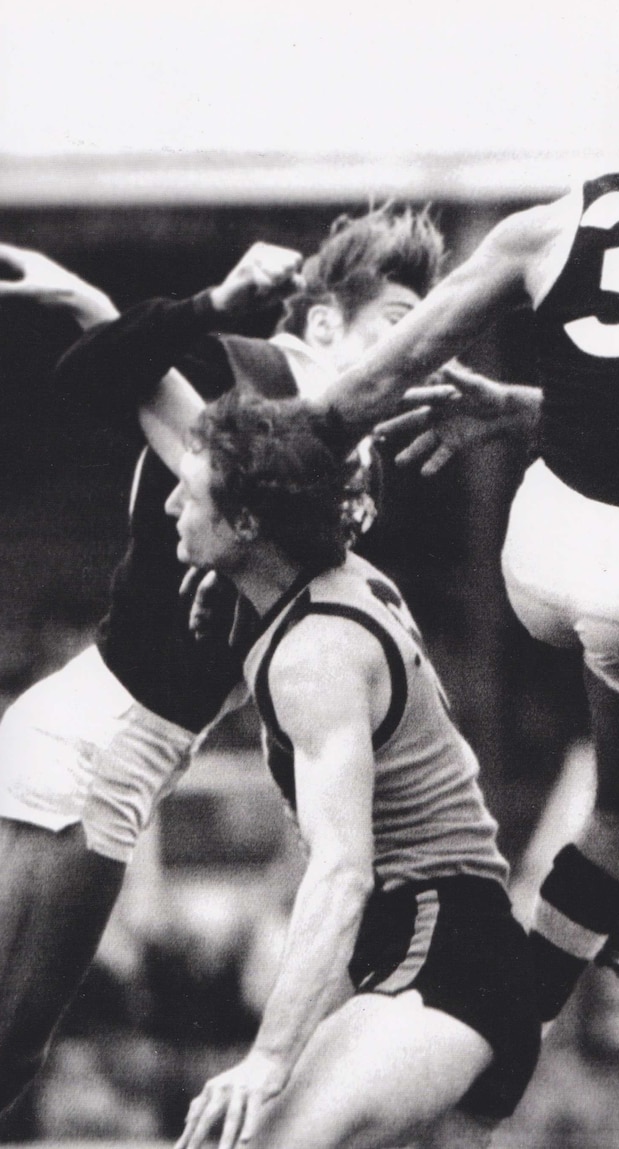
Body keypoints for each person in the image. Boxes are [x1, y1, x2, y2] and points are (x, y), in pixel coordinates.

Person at [314, 14, 619, 1022]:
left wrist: (298, 446)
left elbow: (386, 373)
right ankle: (512, 1027)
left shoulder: (546, 226)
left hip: (539, 557)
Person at [0, 204, 446, 1115]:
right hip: (100, 742)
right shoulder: (259, 375)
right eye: (400, 324)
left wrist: (97, 305)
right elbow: (99, 380)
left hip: (123, 744)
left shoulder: (352, 450)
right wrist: (199, 302)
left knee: (11, 1047)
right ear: (325, 323)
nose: (417, 351)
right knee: (10, 1043)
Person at [157, 388, 540, 1149]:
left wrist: (268, 1060)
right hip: (459, 952)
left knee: (243, 1142)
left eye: (189, 492)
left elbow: (342, 872)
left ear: (246, 525)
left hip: (439, 961)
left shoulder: (315, 654)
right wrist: (228, 585)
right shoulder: (337, 579)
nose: (170, 503)